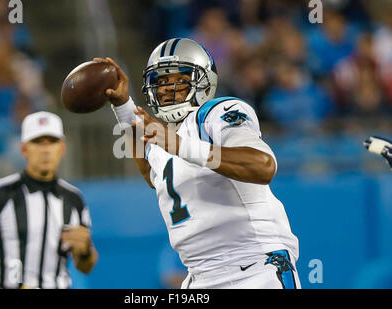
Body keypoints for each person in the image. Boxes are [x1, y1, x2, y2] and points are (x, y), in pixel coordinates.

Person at [98, 37, 300, 289]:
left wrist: (180, 144)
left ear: (203, 82)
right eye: (160, 82)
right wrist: (123, 106)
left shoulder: (216, 113)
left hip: (255, 266)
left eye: (178, 80)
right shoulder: (166, 135)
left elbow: (263, 166)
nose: (166, 89)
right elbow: (153, 174)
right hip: (200, 276)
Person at [0, 111, 98, 289]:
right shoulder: (1, 192)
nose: (46, 150)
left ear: (62, 148)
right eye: (38, 142)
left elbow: (85, 266)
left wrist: (85, 251)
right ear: (24, 149)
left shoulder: (74, 198)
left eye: (52, 142)